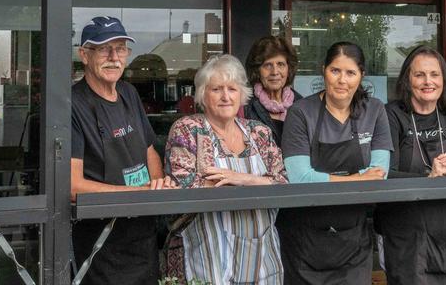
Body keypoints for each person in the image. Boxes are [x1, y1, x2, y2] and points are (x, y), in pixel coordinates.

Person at [70, 16, 173, 285]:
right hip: (101, 242)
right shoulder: (73, 105)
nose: (114, 57)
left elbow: (149, 149)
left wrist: (156, 187)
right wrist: (139, 194)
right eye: (104, 49)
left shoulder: (129, 93)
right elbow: (71, 185)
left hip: (141, 236)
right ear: (84, 55)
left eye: (121, 49)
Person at [278, 41, 393, 285]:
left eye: (351, 72)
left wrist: (333, 179)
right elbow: (299, 178)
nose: (342, 80)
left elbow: (379, 173)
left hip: (353, 239)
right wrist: (357, 179)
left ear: (361, 75)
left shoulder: (374, 110)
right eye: (335, 71)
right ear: (324, 71)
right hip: (304, 240)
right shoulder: (300, 112)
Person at [166, 54, 287, 284]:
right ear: (202, 94)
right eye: (216, 89)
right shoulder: (189, 130)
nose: (225, 97)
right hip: (207, 255)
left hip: (263, 259)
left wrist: (241, 179)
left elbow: (283, 183)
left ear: (242, 94)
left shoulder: (258, 132)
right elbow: (186, 189)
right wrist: (261, 181)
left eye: (232, 89)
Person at [377, 45, 446, 285]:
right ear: (407, 79)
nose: (428, 81)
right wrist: (428, 177)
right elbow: (384, 174)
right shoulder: (391, 114)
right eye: (419, 75)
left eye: (434, 74)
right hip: (405, 233)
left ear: (443, 78)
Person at [243, 34, 303, 144]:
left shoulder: (301, 105)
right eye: (268, 65)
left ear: (288, 69)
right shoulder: (245, 106)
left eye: (280, 64)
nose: (275, 72)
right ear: (257, 70)